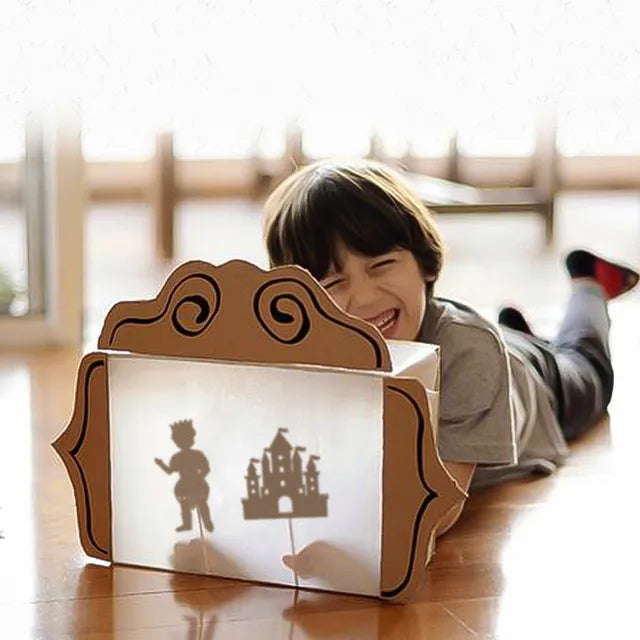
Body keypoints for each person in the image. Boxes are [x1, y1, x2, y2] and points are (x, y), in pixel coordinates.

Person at [262, 158, 639, 535]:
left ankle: (589, 282)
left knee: (588, 364)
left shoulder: (468, 355)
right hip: (492, 353)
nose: (362, 297)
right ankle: (516, 331)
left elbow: (436, 508)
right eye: (332, 283)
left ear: (425, 263)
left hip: (541, 387)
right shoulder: (315, 356)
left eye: (381, 265)